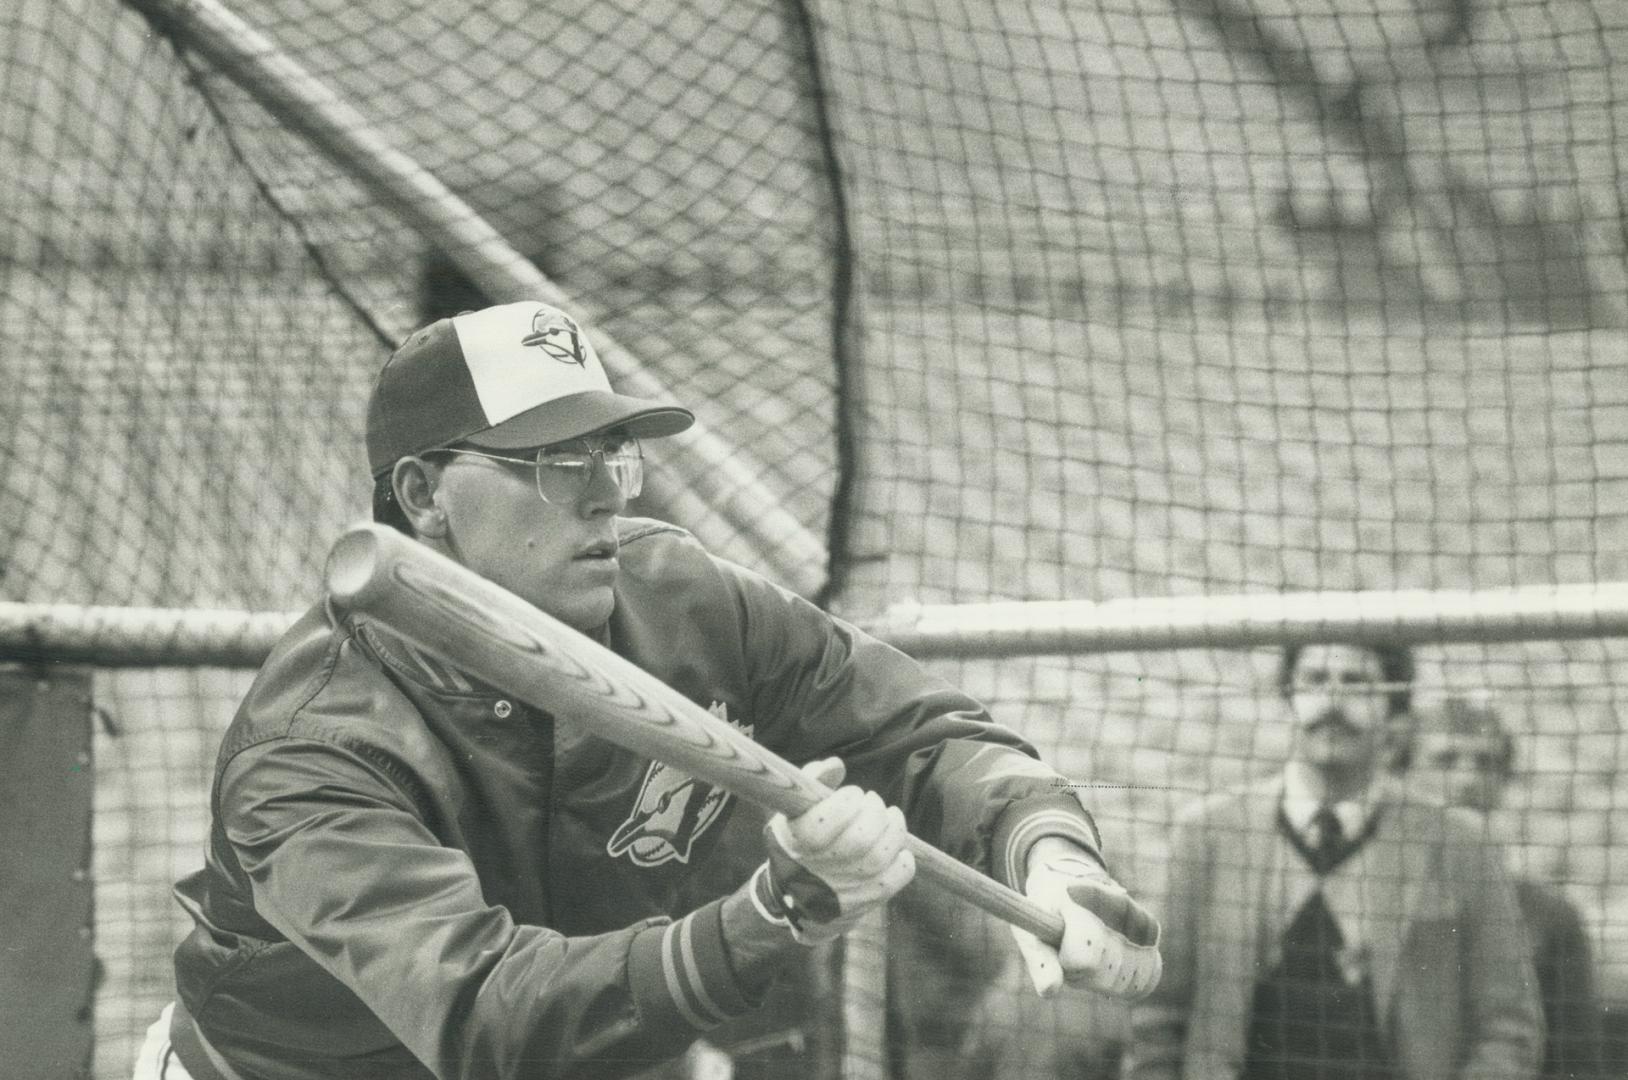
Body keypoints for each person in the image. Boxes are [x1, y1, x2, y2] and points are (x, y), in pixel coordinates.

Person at [132, 299, 1160, 1080]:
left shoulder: (680, 599)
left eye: (610, 452)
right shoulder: (315, 747)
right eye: (550, 461)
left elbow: (926, 734)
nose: (602, 493)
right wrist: (773, 913)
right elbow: (490, 1018)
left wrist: (1049, 853)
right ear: (421, 496)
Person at [1124, 641, 1544, 1080]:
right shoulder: (1209, 834)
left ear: (1394, 712)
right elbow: (1157, 1022)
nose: (1333, 699)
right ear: (1287, 698)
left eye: (1357, 682)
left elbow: (1509, 1029)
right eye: (1315, 680)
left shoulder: (1460, 845)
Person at [1410, 695, 1607, 1080]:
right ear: (1404, 772)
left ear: (1504, 782)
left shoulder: (1550, 916)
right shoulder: (1366, 894)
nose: (1468, 780)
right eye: (1445, 760)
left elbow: (1576, 1064)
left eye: (1486, 763)